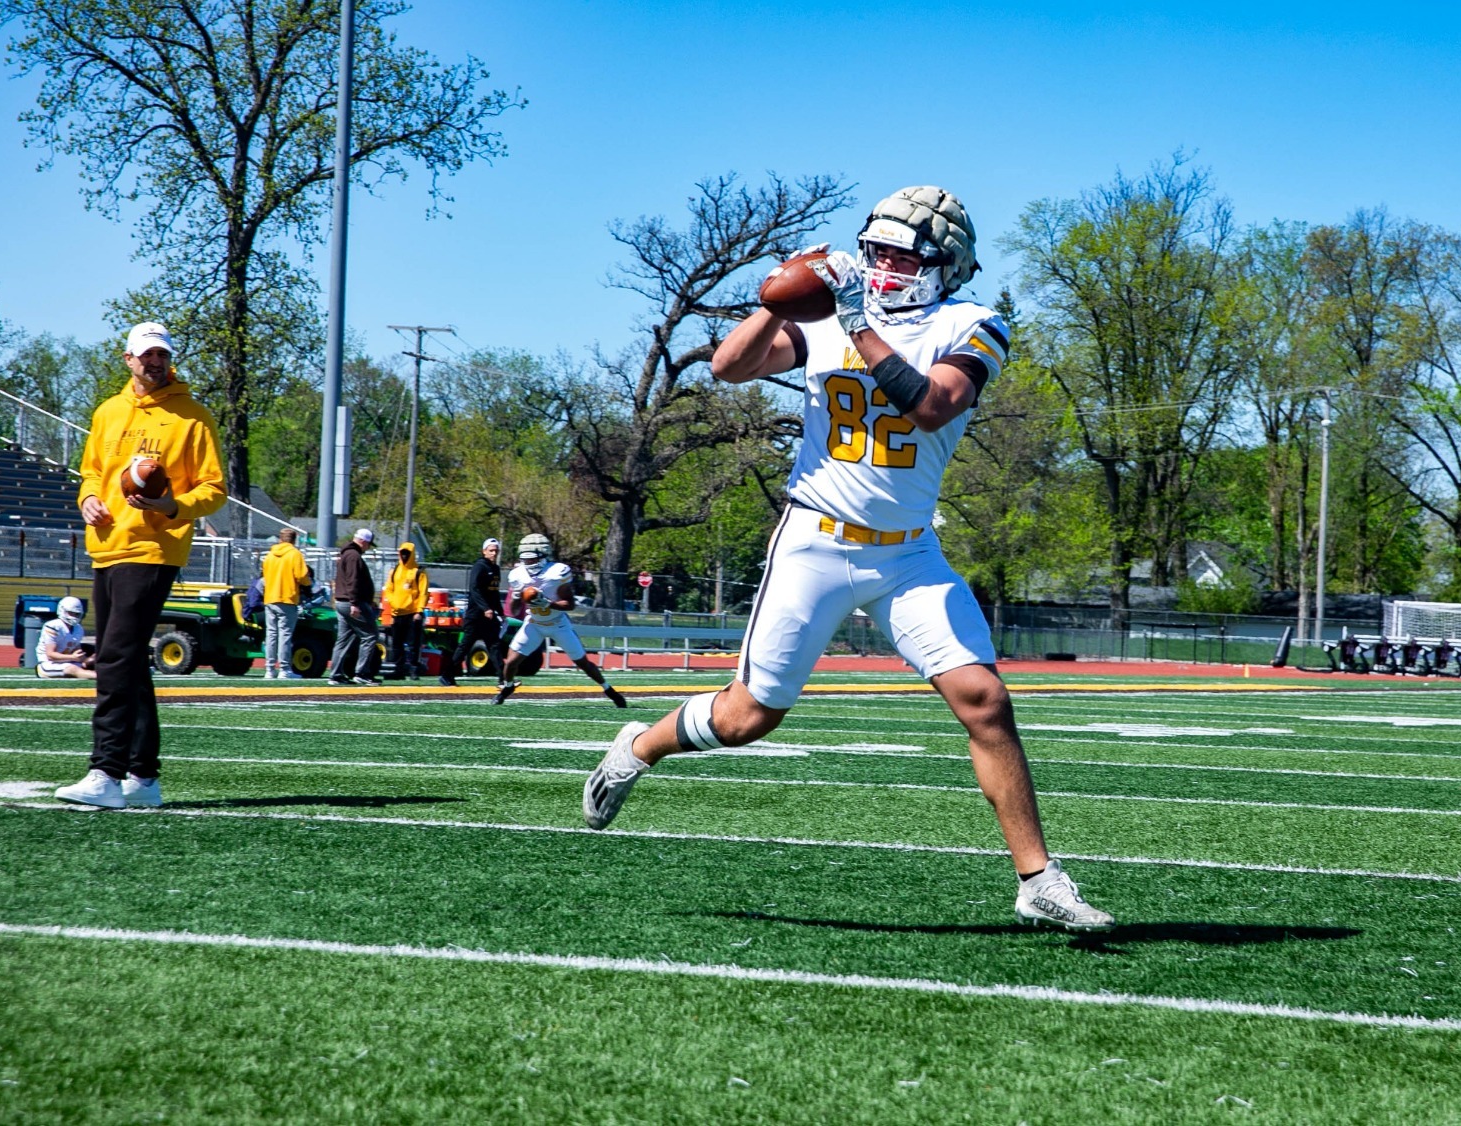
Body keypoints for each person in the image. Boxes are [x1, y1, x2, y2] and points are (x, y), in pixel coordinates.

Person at [578, 187, 1112, 932]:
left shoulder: (973, 323)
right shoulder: (828, 321)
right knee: (746, 718)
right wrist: (779, 297)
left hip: (909, 554)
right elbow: (728, 368)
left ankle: (1038, 880)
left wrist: (854, 320)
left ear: (945, 266)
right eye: (878, 250)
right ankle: (639, 746)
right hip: (816, 541)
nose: (885, 266)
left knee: (986, 701)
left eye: (903, 254)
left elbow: (930, 404)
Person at [54, 322, 225, 809]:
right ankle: (143, 779)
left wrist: (173, 505)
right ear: (127, 358)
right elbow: (91, 471)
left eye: (162, 356)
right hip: (106, 544)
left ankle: (105, 771)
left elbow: (213, 489)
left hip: (153, 548)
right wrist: (87, 498)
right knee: (125, 660)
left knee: (113, 656)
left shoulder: (192, 418)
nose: (155, 363)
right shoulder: (108, 412)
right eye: (146, 355)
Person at [492, 533, 626, 707]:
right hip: (534, 623)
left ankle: (609, 690)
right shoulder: (518, 575)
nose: (528, 564)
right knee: (510, 662)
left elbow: (570, 604)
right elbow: (514, 610)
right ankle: (508, 688)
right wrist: (518, 597)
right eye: (525, 560)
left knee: (582, 663)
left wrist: (548, 603)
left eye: (532, 560)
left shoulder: (556, 573)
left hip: (558, 624)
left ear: (543, 556)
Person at [442, 537, 503, 686]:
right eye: (491, 550)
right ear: (484, 551)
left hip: (488, 617)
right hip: (476, 615)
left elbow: (494, 593)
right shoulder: (479, 566)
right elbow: (474, 590)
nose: (494, 553)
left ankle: (503, 678)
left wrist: (500, 611)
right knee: (465, 646)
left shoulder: (496, 569)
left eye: (496, 551)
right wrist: (485, 608)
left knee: (494, 646)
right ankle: (446, 675)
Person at [328, 528, 382, 686]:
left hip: (342, 602)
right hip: (351, 603)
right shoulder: (354, 556)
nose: (368, 548)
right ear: (363, 542)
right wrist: (355, 603)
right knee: (370, 635)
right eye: (368, 545)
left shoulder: (346, 554)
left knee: (343, 640)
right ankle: (362, 673)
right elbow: (353, 581)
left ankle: (335, 675)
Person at [262, 527, 310, 679]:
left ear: (280, 539)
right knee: (285, 635)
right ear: (294, 540)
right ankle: (284, 668)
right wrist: (308, 584)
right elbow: (302, 576)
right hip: (287, 598)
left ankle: (269, 669)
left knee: (271, 634)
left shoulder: (270, 555)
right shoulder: (295, 554)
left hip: (270, 597)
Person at [382, 541, 429, 680]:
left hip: (413, 613)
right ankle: (398, 669)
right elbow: (389, 589)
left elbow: (423, 593)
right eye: (402, 553)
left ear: (412, 554)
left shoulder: (419, 572)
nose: (404, 556)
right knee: (397, 644)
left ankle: (414, 669)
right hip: (397, 613)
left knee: (414, 644)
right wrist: (394, 603)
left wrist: (419, 611)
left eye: (407, 553)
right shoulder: (395, 570)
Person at [36, 596, 96, 680]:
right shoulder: (53, 626)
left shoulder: (78, 628)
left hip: (68, 662)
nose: (74, 616)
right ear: (62, 611)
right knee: (72, 669)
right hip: (49, 664)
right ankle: (102, 677)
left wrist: (87, 660)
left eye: (77, 614)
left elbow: (77, 651)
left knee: (93, 663)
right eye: (71, 613)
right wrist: (73, 657)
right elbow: (50, 655)